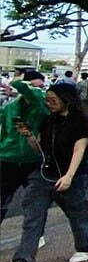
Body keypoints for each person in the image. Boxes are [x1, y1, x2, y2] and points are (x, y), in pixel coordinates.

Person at [1, 82, 88, 262]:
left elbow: (79, 150)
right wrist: (29, 136)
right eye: (48, 100)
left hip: (72, 176)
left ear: (66, 100)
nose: (49, 104)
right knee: (33, 216)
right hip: (44, 174)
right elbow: (40, 150)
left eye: (53, 100)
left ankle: (85, 247)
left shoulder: (81, 123)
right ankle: (24, 261)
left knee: (77, 214)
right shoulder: (48, 121)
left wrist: (69, 176)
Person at [0, 71, 48, 224]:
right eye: (35, 86)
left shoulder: (41, 105)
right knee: (2, 198)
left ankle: (36, 232)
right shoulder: (10, 107)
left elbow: (24, 89)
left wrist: (24, 85)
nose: (37, 91)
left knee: (35, 199)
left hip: (32, 158)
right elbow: (4, 131)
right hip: (7, 158)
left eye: (41, 87)